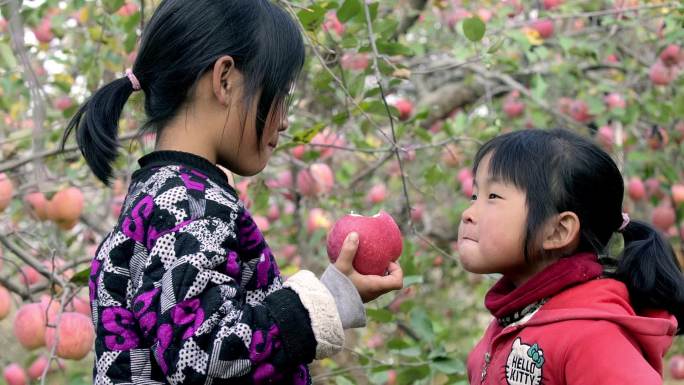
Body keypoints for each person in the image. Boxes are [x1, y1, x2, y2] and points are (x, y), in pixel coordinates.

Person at [61, 1, 403, 384]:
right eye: (280, 93)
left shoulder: (159, 196)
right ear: (225, 80)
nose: (285, 120)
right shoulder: (185, 202)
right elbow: (202, 354)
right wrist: (329, 301)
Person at [458, 128, 683, 384]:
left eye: (493, 196)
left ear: (558, 230)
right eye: (474, 195)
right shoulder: (513, 319)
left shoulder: (592, 338)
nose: (468, 212)